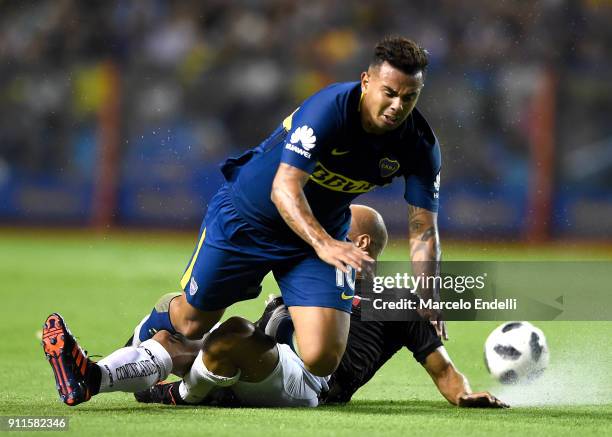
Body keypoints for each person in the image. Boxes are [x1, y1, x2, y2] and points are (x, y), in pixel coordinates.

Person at [42, 35, 443, 406]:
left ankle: (183, 367)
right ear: (366, 81)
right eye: (389, 93)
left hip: (317, 238)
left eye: (409, 98)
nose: (397, 106)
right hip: (250, 219)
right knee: (191, 320)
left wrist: (428, 294)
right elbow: (284, 189)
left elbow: (423, 227)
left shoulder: (420, 146)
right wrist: (324, 243)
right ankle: (155, 333)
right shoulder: (327, 111)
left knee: (321, 358)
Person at [132, 205, 506, 408]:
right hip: (264, 361)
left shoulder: (396, 300)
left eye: (335, 227)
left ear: (359, 242)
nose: (323, 234)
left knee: (232, 334)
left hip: (313, 383)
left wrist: (463, 394)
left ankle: (184, 394)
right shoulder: (306, 275)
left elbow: (443, 370)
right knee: (171, 337)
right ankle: (98, 375)